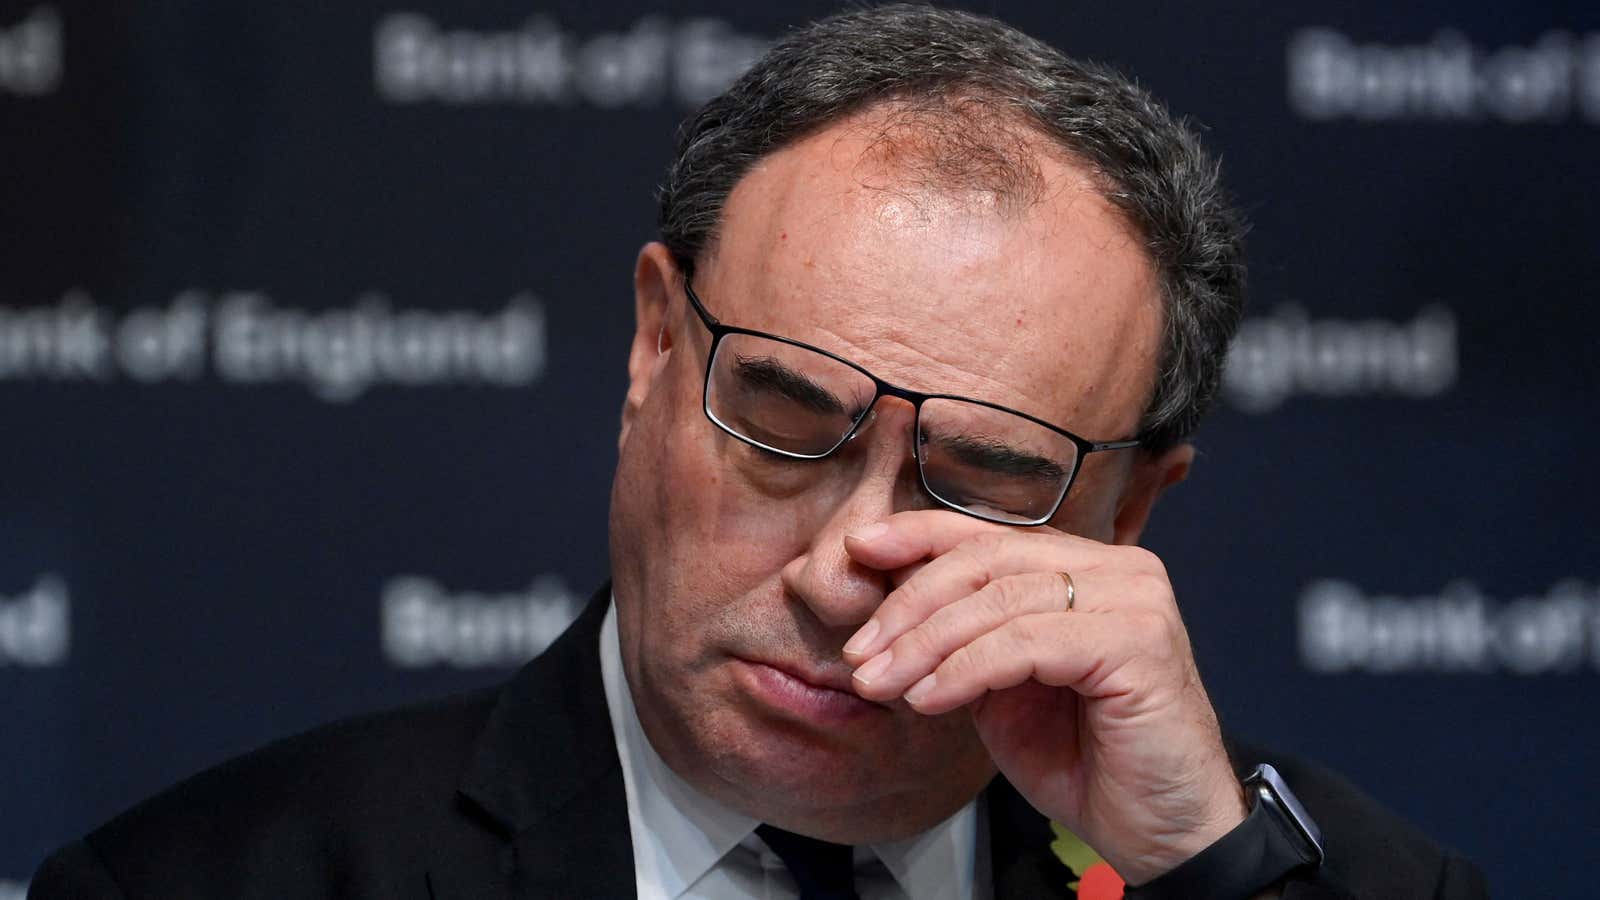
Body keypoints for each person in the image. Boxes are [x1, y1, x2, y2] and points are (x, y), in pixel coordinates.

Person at [31, 6, 1487, 899]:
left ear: (1125, 514)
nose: (852, 559)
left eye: (982, 479)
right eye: (787, 419)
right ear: (655, 350)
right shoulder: (211, 882)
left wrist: (1202, 871)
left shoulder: (1318, 881)